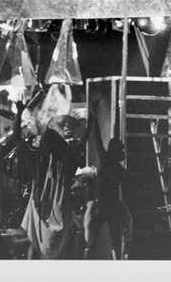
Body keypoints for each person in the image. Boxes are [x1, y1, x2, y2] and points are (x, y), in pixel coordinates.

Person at [19, 89, 89, 259]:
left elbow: (73, 160)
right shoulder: (50, 138)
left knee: (51, 229)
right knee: (42, 230)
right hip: (47, 189)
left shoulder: (57, 141)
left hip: (53, 188)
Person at [83, 106, 132, 259]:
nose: (123, 153)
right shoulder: (115, 167)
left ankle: (88, 258)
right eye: (122, 151)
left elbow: (97, 139)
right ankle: (116, 258)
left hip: (104, 205)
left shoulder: (108, 162)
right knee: (113, 238)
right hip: (109, 205)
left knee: (95, 238)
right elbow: (97, 139)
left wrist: (93, 119)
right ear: (116, 152)